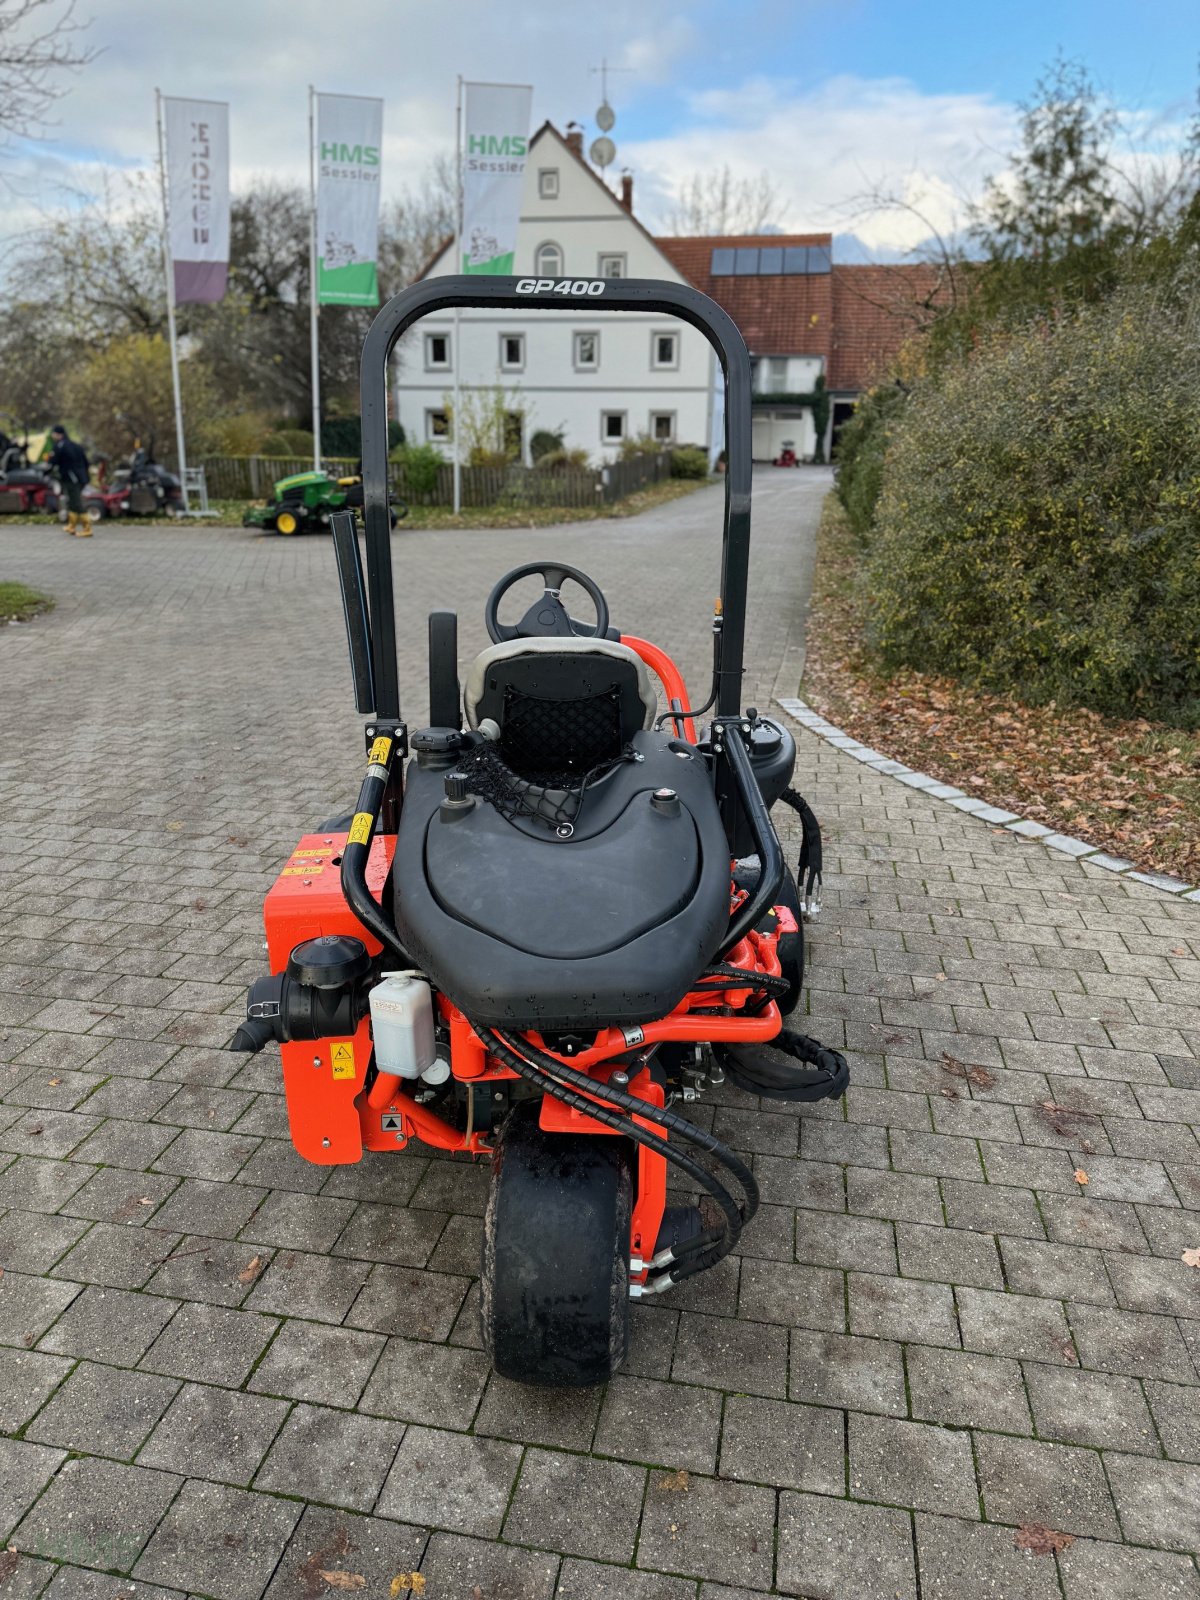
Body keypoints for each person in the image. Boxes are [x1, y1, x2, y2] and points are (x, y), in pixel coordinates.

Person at [47, 424, 92, 537]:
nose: (53, 436)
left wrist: (46, 471)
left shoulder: (60, 446)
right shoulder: (75, 445)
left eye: (53, 434)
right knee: (72, 501)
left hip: (71, 478)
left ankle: (87, 528)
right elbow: (86, 462)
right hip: (81, 477)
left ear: (58, 434)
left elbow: (52, 462)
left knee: (76, 503)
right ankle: (71, 525)